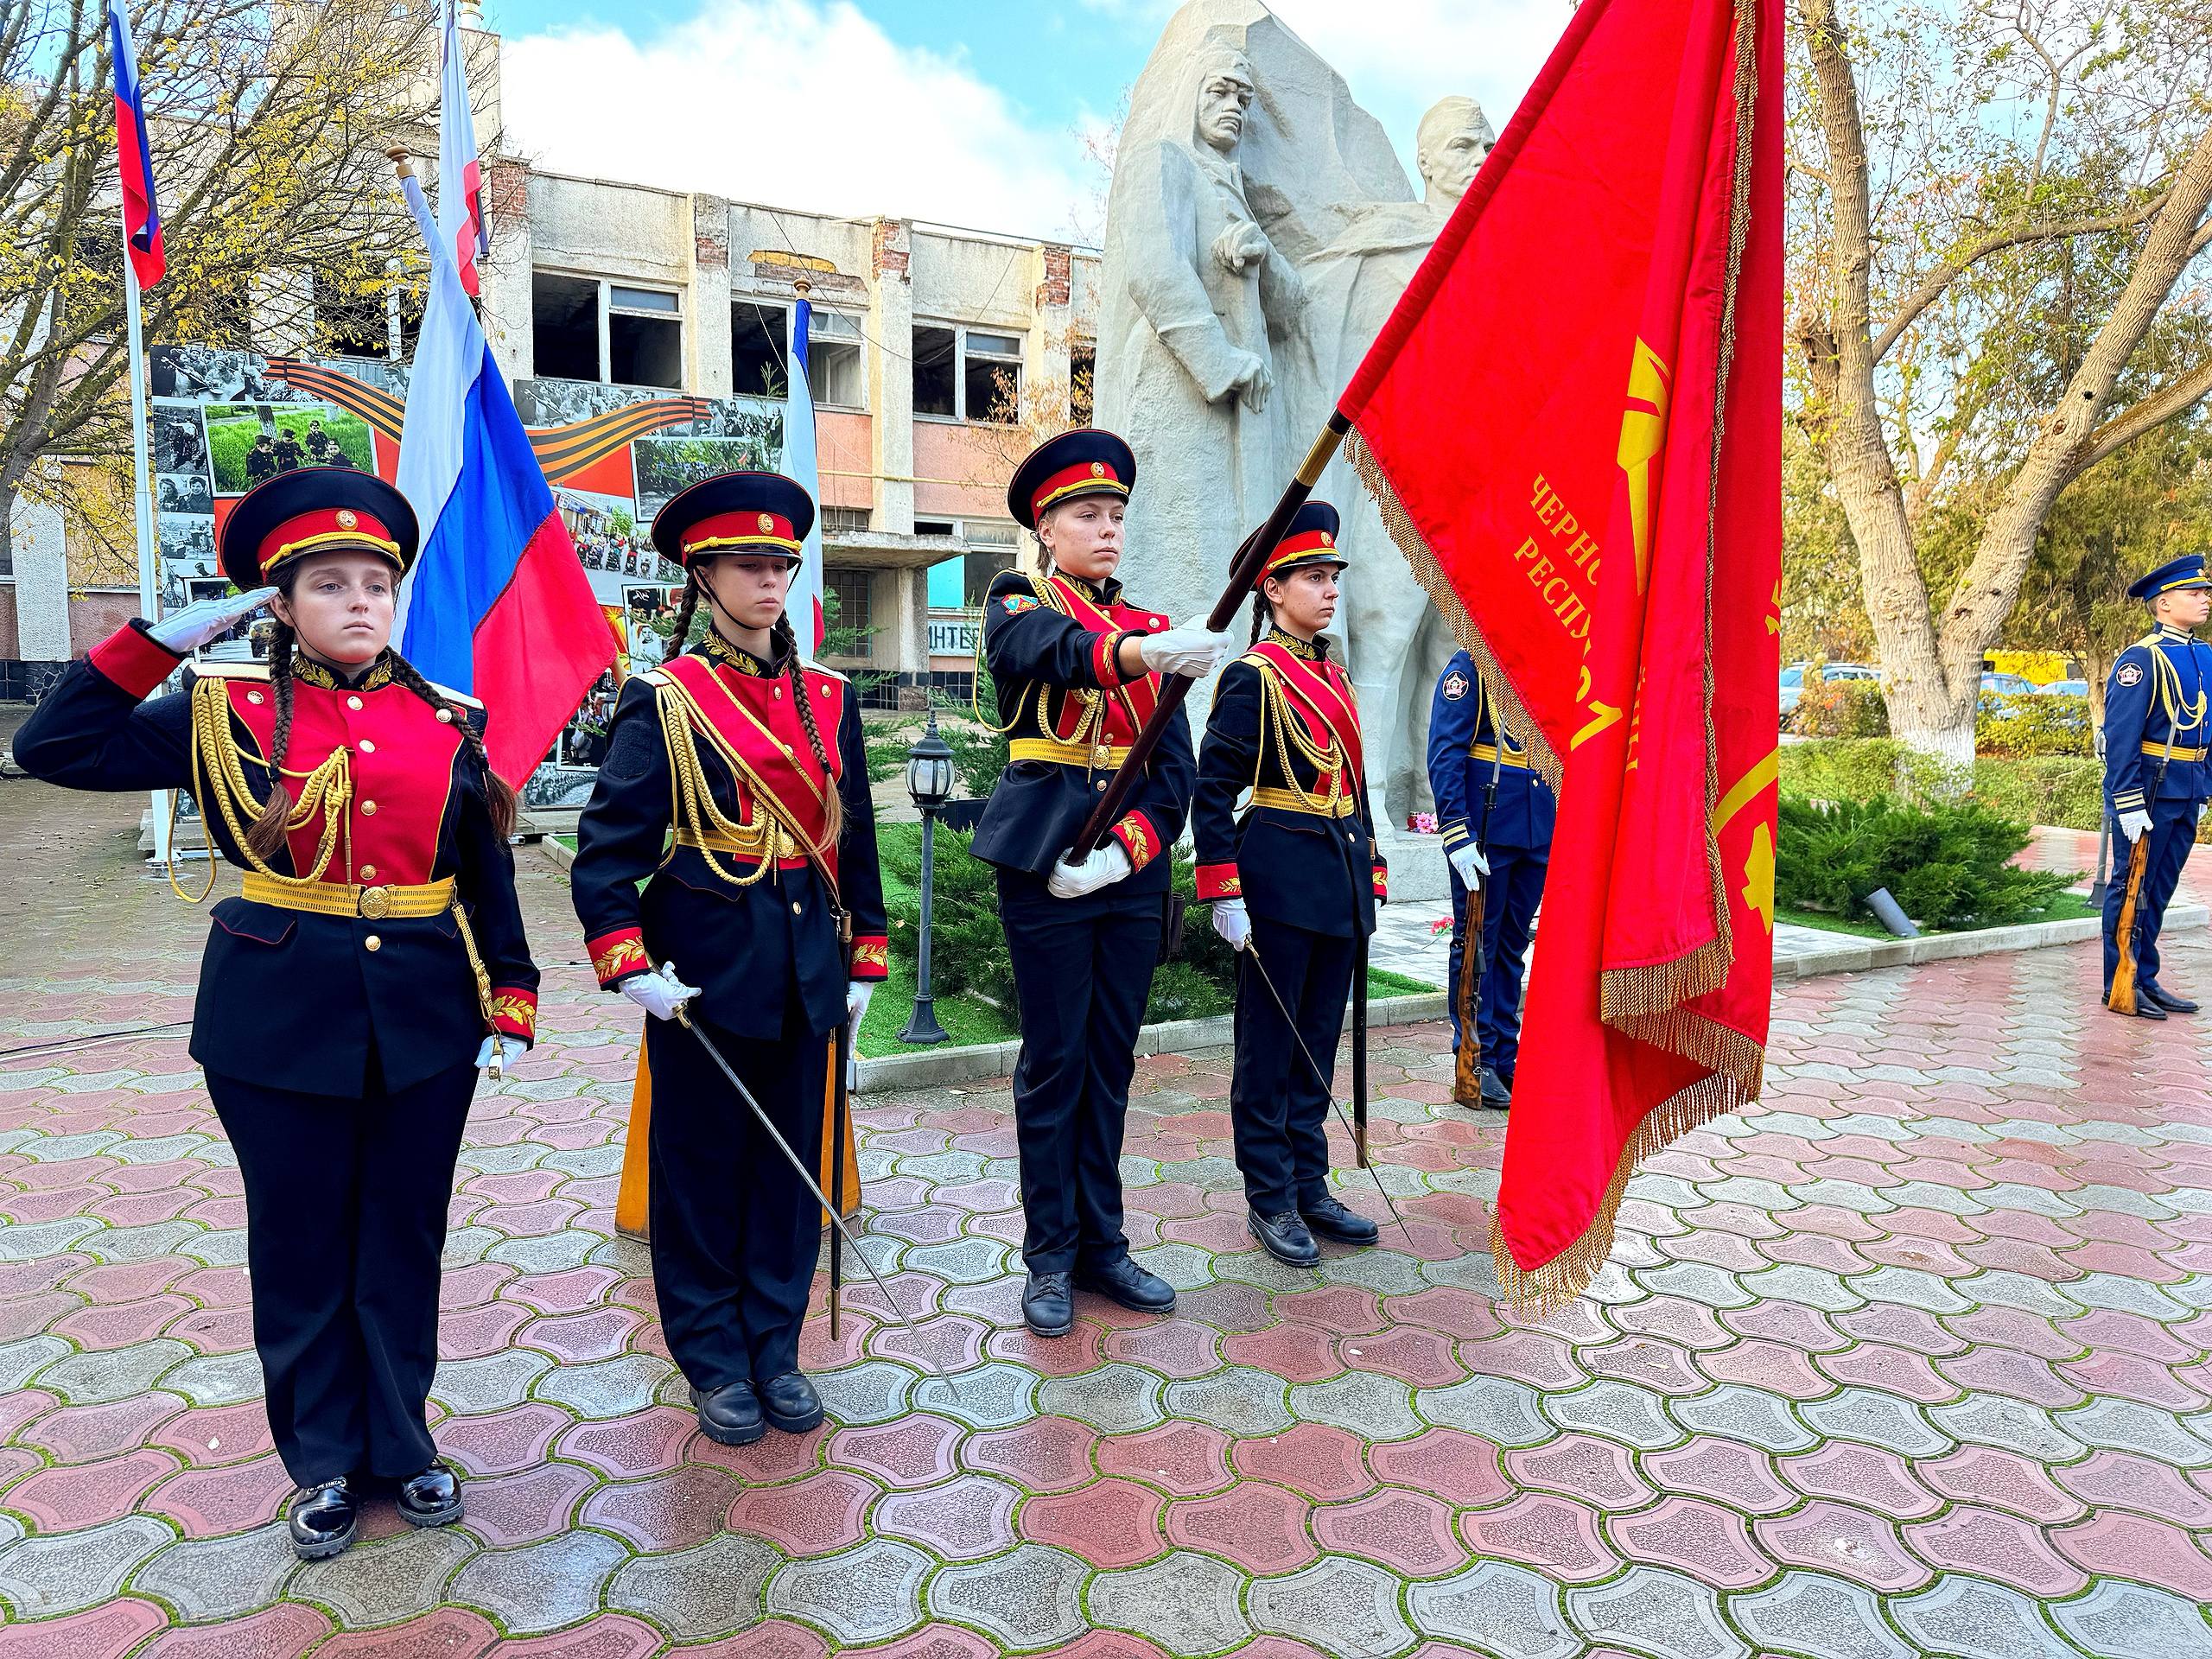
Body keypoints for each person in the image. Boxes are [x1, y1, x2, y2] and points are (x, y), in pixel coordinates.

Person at [14, 467, 539, 1561]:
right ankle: (324, 1462)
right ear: (280, 603)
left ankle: (402, 1444)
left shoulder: (447, 720)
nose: (359, 602)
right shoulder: (222, 709)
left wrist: (513, 988)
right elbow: (50, 749)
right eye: (329, 584)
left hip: (425, 1018)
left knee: (403, 1237)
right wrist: (154, 643)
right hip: (276, 1018)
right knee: (301, 1245)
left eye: (375, 584)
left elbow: (482, 864)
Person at [569, 471, 888, 1446]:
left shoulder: (826, 697)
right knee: (702, 1172)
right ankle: (711, 1359)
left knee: (794, 1173)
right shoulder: (663, 700)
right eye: (747, 565)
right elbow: (609, 848)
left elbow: (857, 836)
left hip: (805, 966)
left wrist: (865, 958)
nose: (769, 582)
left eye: (782, 563)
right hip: (703, 977)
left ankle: (775, 1347)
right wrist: (628, 963)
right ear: (702, 577)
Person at [973, 428, 1229, 1337]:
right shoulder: (1016, 599)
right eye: (1088, 514)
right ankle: (1048, 1254)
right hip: (1042, 859)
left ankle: (1101, 1245)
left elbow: (1174, 774)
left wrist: (1127, 851)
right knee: (1053, 1066)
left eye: (1118, 514)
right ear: (1046, 527)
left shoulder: (1155, 630)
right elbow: (1045, 651)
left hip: (1120, 872)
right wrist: (1139, 658)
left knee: (1110, 1064)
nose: (1108, 529)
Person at [1192, 503, 1385, 1266]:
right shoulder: (1253, 679)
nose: (1329, 589)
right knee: (1269, 1051)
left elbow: (1358, 786)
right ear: (1272, 590)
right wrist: (1223, 891)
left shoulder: (1332, 674)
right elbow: (1214, 791)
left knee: (1317, 1044)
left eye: (1333, 576)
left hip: (1336, 881)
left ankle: (1311, 1182)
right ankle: (1267, 1196)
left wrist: (1370, 869)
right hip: (1275, 879)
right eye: (1313, 576)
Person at [1426, 648, 1554, 1104]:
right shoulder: (1472, 666)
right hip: (1486, 832)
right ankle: (1476, 1060)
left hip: (1537, 829)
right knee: (1478, 945)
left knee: (1513, 948)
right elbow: (1446, 752)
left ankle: (1504, 1057)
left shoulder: (1549, 664)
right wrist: (1456, 832)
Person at [2102, 553, 2211, 1017]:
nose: (2205, 599)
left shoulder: (2204, 654)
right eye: (2195, 592)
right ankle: (2119, 982)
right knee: (2133, 887)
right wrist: (2127, 801)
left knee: (2160, 888)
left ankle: (2145, 976)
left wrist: (2204, 790)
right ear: (2164, 603)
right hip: (2148, 790)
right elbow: (2121, 736)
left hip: (2186, 787)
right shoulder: (2142, 660)